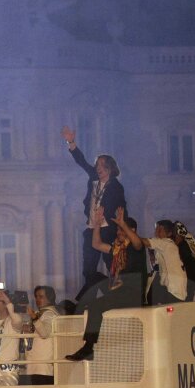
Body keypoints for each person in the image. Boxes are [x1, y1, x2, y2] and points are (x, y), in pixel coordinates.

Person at [67, 208, 150, 361]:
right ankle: (86, 338)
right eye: (118, 229)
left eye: (122, 229)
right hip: (117, 291)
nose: (118, 232)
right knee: (93, 287)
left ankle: (88, 347)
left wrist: (123, 223)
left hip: (131, 294)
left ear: (132, 230)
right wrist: (97, 224)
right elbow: (96, 244)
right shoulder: (117, 249)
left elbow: (137, 241)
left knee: (97, 305)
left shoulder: (136, 247)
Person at [62, 125, 127, 303]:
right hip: (92, 228)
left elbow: (121, 209)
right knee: (88, 269)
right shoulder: (94, 179)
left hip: (107, 230)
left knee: (111, 264)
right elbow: (81, 161)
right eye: (97, 165)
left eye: (102, 166)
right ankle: (90, 295)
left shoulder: (116, 187)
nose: (98, 168)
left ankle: (118, 293)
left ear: (110, 169)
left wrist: (122, 230)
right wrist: (71, 141)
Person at [21, 285, 59, 384]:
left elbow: (44, 333)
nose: (37, 299)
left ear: (49, 298)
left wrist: (33, 317)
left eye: (41, 297)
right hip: (33, 366)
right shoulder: (39, 313)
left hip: (44, 369)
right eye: (36, 297)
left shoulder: (51, 314)